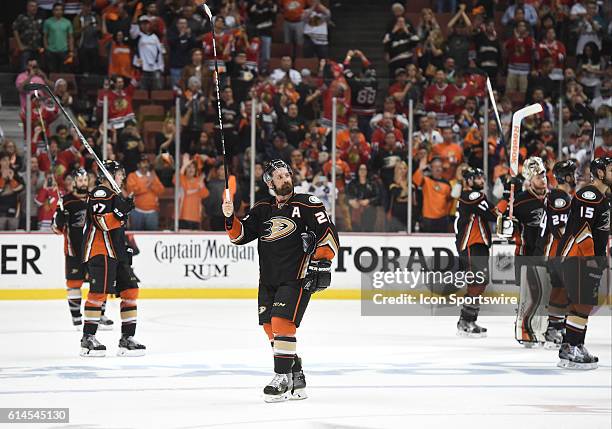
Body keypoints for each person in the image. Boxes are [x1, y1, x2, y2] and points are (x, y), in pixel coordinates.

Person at [222, 159, 340, 402]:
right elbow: (239, 236)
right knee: (270, 328)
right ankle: (295, 373)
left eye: (287, 175)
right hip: (268, 280)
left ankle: (281, 379)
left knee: (282, 322)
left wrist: (321, 261)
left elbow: (328, 234)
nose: (285, 179)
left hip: (296, 277)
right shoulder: (262, 208)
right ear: (269, 182)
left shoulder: (308, 204)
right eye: (279, 176)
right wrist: (229, 217)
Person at [80, 160, 145, 357]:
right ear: (108, 175)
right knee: (98, 294)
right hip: (101, 251)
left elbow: (117, 227)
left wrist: (125, 247)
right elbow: (102, 223)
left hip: (116, 252)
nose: (122, 177)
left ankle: (127, 339)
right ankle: (88, 340)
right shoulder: (100, 193)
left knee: (130, 290)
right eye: (119, 173)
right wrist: (120, 211)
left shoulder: (116, 195)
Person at [555, 157, 611, 369]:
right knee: (582, 302)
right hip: (577, 257)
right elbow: (582, 229)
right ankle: (570, 347)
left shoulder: (602, 197)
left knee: (583, 303)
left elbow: (601, 230)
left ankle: (575, 345)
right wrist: (591, 259)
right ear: (600, 173)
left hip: (588, 259)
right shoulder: (589, 195)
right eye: (611, 170)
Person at [52, 168, 114, 330]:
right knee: (74, 284)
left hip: (93, 248)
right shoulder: (65, 202)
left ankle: (99, 315)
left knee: (99, 283)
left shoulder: (94, 199)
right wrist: (60, 217)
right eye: (80, 180)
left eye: (85, 180)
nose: (83, 183)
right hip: (74, 251)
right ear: (73, 182)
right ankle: (76, 318)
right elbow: (56, 229)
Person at [535, 160, 576, 349]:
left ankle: (558, 326)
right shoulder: (560, 197)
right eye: (571, 173)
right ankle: (553, 329)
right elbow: (559, 228)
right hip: (556, 251)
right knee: (560, 289)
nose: (574, 177)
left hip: (558, 251)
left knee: (564, 289)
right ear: (564, 177)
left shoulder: (561, 195)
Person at [454, 167, 499, 337]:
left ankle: (469, 320)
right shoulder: (471, 196)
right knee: (477, 282)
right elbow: (492, 214)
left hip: (478, 245)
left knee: (479, 283)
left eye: (482, 177)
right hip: (472, 244)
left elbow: (493, 212)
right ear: (468, 181)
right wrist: (506, 199)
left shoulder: (474, 197)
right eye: (477, 177)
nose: (481, 180)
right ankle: (465, 321)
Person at [413, 156, 453, 232]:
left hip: (442, 219)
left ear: (442, 168)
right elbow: (415, 180)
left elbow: (449, 201)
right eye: (435, 167)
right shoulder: (426, 180)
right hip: (428, 219)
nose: (437, 169)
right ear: (431, 168)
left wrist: (446, 214)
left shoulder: (447, 184)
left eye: (439, 166)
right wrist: (420, 169)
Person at [126, 155, 165, 231]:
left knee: (152, 237)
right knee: (135, 237)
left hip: (152, 212)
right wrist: (147, 185)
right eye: (143, 163)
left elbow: (161, 190)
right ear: (138, 165)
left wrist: (152, 185)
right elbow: (131, 191)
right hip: (137, 211)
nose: (146, 165)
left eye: (147, 163)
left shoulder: (153, 175)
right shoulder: (132, 176)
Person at [178, 154, 209, 230]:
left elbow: (205, 194)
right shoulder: (182, 179)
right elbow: (177, 178)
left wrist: (201, 185)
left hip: (196, 217)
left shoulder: (199, 181)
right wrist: (184, 166)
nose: (191, 169)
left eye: (193, 167)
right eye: (188, 167)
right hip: (182, 216)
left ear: (195, 170)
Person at [12, 0, 44, 70]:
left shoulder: (40, 17)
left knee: (38, 69)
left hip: (37, 48)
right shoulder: (22, 17)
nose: (34, 8)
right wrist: (20, 45)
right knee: (24, 69)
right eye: (32, 6)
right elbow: (15, 29)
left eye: (36, 6)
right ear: (27, 7)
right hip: (26, 48)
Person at [43, 2, 74, 73]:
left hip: (64, 50)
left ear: (63, 11)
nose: (58, 11)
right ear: (53, 11)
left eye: (60, 10)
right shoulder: (48, 22)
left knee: (64, 71)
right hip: (51, 51)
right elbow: (45, 36)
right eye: (56, 10)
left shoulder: (67, 22)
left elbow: (70, 37)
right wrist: (46, 48)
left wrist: (71, 50)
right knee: (52, 71)